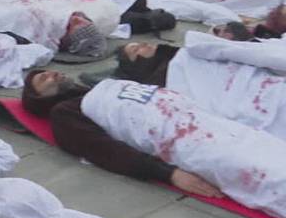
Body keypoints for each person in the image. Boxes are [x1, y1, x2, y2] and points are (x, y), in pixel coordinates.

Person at [20, 68, 223, 199]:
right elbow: (105, 150)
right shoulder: (64, 113)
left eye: (49, 71)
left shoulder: (97, 90)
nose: (52, 73)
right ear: (38, 98)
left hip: (199, 117)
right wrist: (169, 173)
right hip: (181, 136)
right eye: (43, 78)